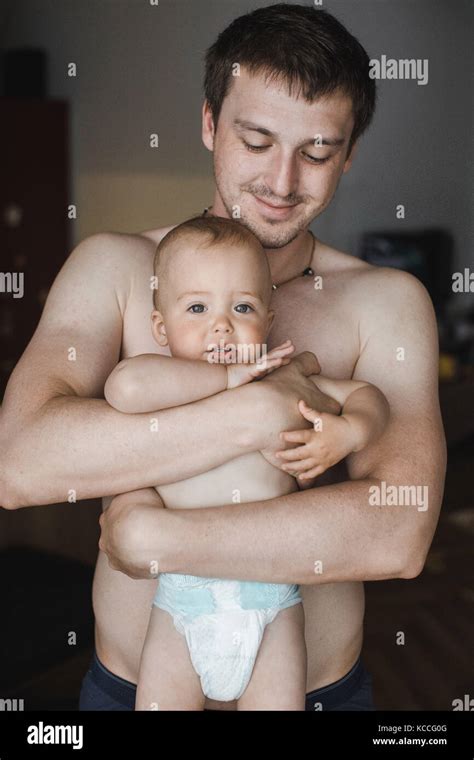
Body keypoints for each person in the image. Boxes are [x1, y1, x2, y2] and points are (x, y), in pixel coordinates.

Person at [0, 5, 446, 712]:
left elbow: (399, 528)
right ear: (210, 123)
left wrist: (163, 538)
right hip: (132, 689)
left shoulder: (388, 302)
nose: (283, 179)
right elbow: (20, 462)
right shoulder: (113, 268)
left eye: (319, 151)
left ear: (349, 151)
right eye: (257, 140)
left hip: (314, 692)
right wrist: (249, 415)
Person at [102, 215, 389, 710]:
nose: (221, 325)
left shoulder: (282, 381)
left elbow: (368, 396)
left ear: (269, 320)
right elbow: (124, 388)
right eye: (196, 307)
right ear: (160, 327)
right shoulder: (166, 385)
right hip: (180, 605)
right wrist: (230, 379)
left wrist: (349, 431)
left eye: (242, 307)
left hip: (272, 604)